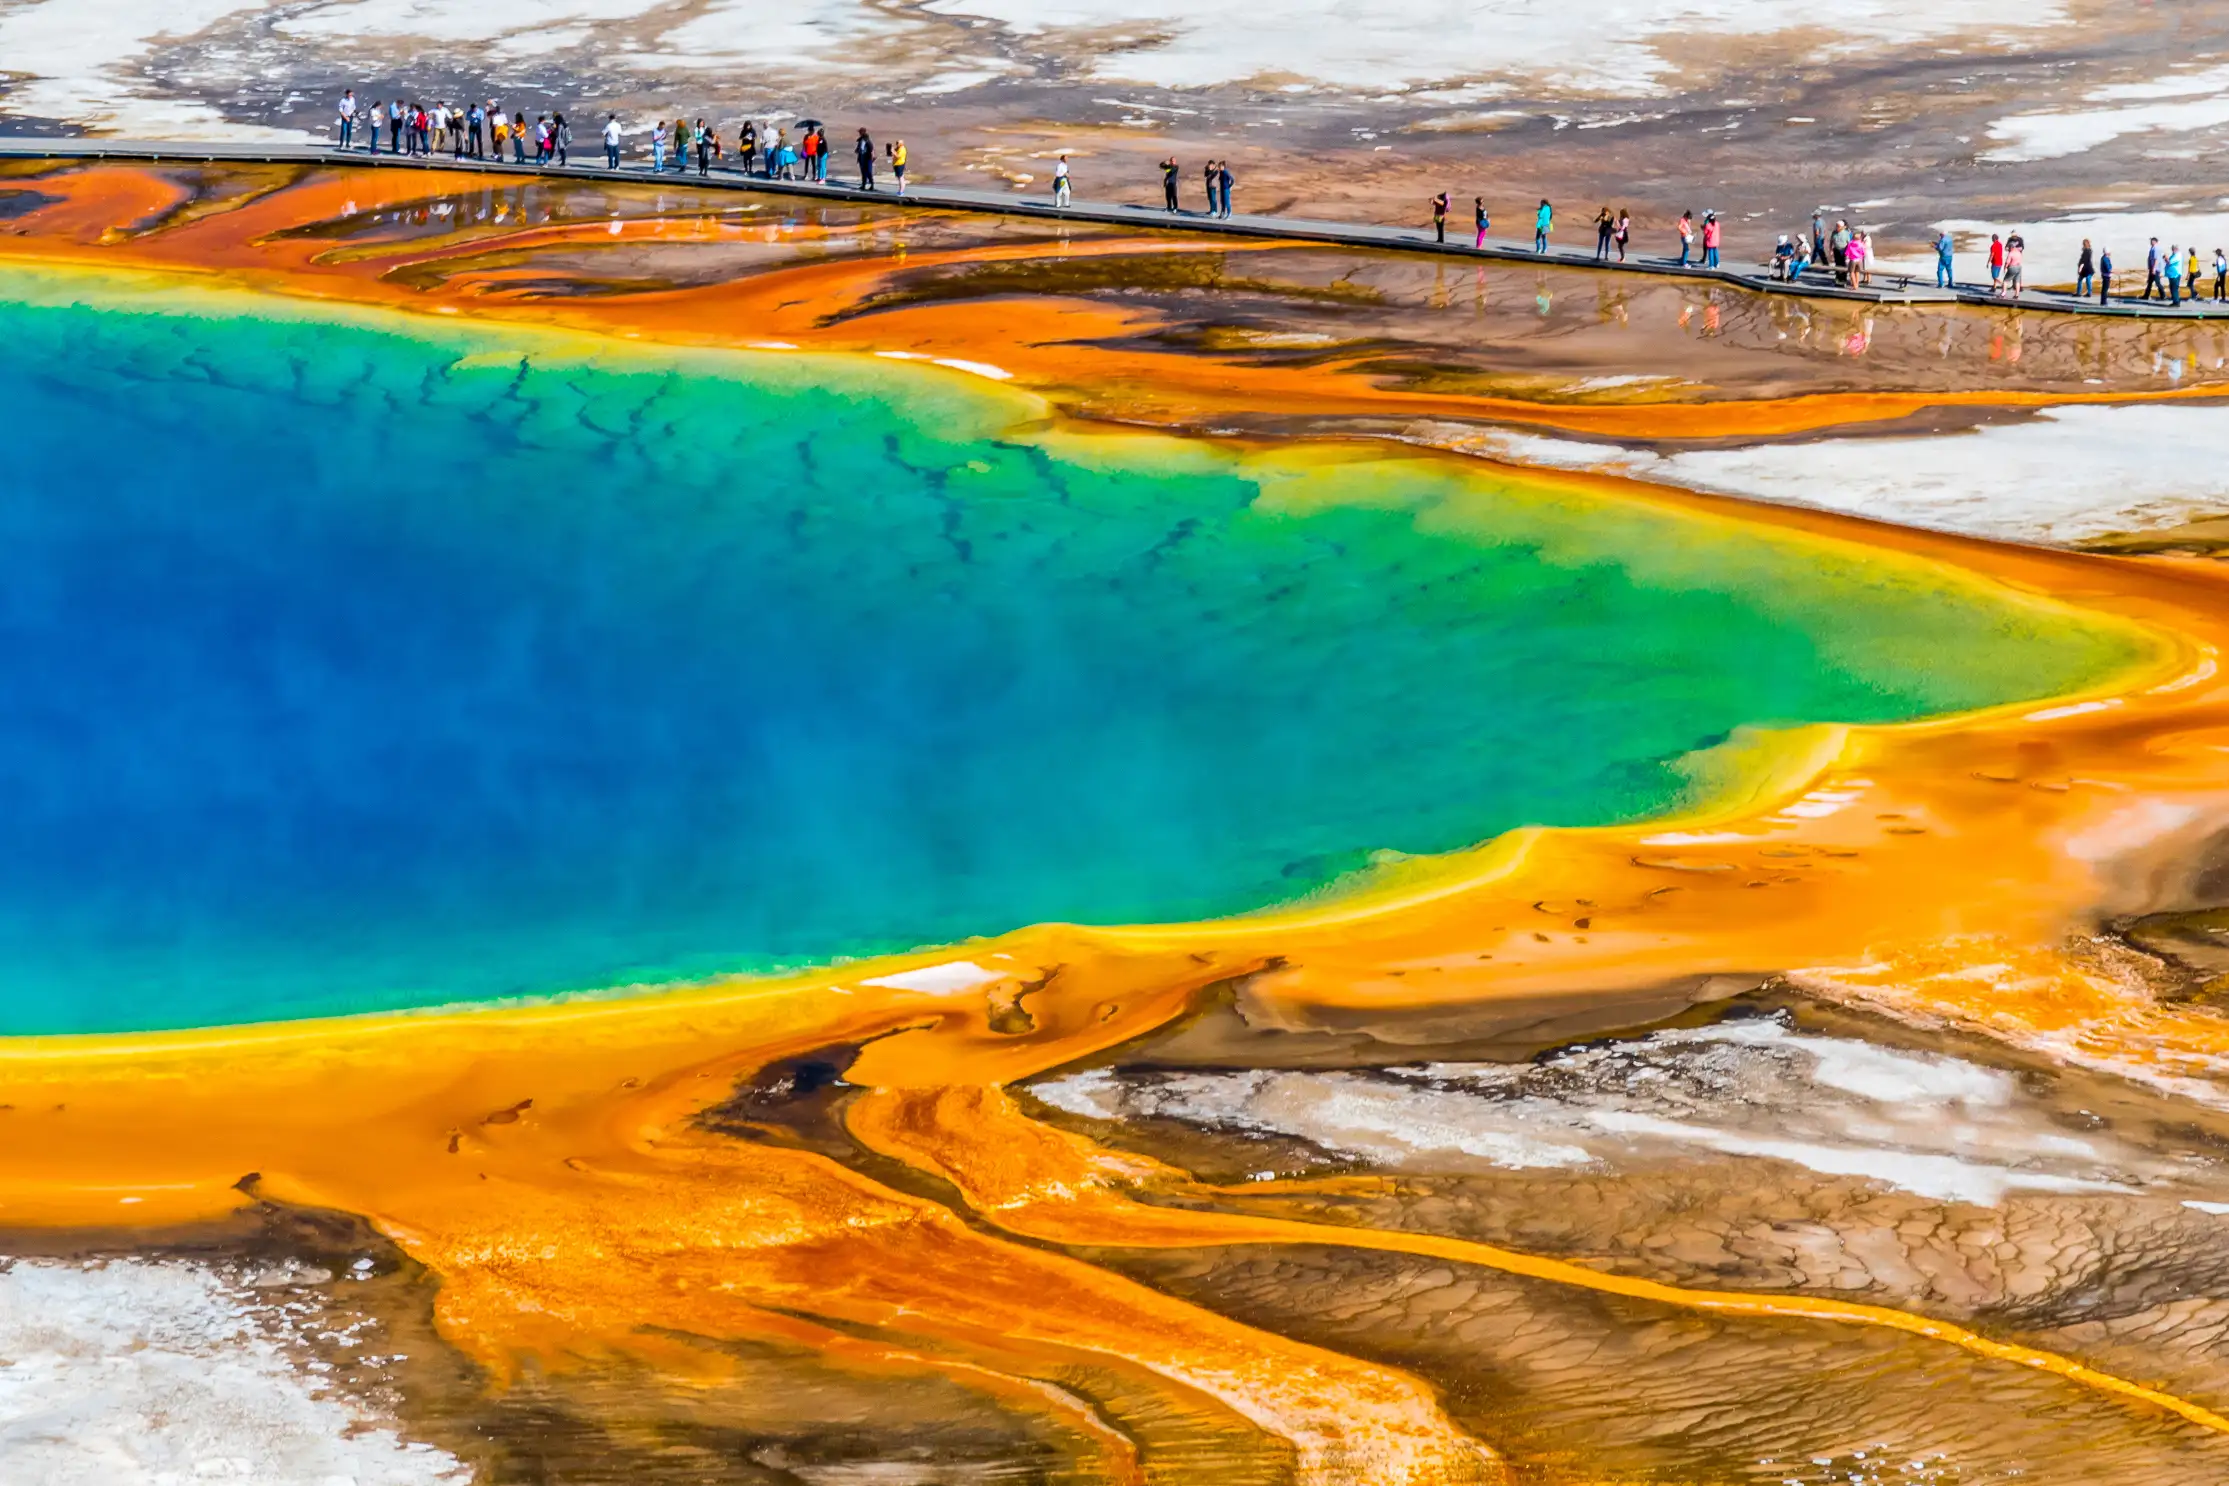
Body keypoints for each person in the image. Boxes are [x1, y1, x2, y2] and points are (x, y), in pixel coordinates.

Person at [2000, 234, 2020, 298]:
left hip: (2012, 267)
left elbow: (2007, 262)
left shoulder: (2011, 253)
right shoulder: (2018, 252)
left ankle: (2003, 293)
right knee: (2017, 281)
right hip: (2019, 267)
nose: (2008, 248)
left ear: (2011, 247)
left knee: (2005, 280)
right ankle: (2016, 294)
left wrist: (2005, 268)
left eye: (2009, 247)